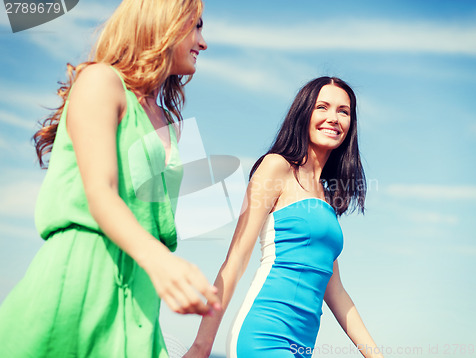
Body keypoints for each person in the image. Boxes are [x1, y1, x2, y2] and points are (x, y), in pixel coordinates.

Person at [0, 0, 220, 357]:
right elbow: (100, 193)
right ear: (163, 23)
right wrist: (162, 262)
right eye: (196, 25)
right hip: (81, 281)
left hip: (141, 300)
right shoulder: (101, 81)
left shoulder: (170, 124)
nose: (203, 41)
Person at [184, 77, 384, 358]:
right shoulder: (277, 167)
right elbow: (236, 259)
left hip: (302, 346)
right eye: (322, 107)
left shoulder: (325, 198)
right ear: (304, 113)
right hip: (263, 335)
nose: (333, 118)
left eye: (344, 111)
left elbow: (335, 291)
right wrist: (201, 345)